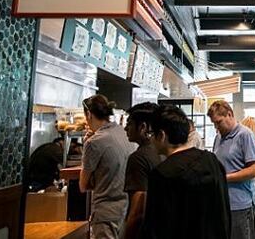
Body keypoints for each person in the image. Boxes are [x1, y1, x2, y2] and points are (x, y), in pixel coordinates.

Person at [142, 105, 231, 238]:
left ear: (162, 135)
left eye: (151, 134)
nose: (151, 139)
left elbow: (157, 227)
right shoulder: (211, 160)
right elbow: (224, 211)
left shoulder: (162, 174)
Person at [80, 95, 135, 239]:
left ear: (89, 114)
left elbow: (83, 185)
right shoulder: (126, 134)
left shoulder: (94, 142)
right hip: (127, 208)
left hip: (105, 213)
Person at [208, 101, 255, 239]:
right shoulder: (218, 137)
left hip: (240, 203)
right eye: (214, 123)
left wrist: (225, 178)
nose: (216, 127)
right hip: (223, 202)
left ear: (230, 114)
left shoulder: (245, 135)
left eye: (218, 122)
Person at [123, 103, 162, 239]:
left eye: (130, 123)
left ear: (143, 127)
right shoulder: (163, 152)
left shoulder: (138, 158)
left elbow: (139, 209)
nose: (125, 128)